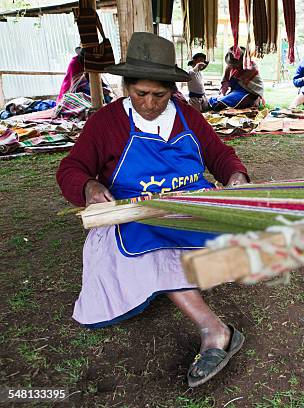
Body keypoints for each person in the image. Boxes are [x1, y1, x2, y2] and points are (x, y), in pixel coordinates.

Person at [56, 33, 249, 388]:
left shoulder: (188, 117)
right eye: (139, 94)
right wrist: (89, 187)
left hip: (191, 204)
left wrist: (235, 175)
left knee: (217, 236)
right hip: (135, 212)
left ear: (172, 91)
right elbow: (72, 168)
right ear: (126, 87)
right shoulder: (106, 122)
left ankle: (213, 327)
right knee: (148, 235)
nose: (148, 104)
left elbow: (221, 156)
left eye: (158, 95)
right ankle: (214, 328)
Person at [208, 46, 264, 111]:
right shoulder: (229, 67)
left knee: (223, 102)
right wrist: (222, 93)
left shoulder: (251, 67)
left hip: (247, 93)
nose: (235, 66)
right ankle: (222, 103)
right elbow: (225, 82)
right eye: (233, 64)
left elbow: (258, 87)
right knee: (214, 100)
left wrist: (256, 98)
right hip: (234, 92)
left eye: (237, 64)